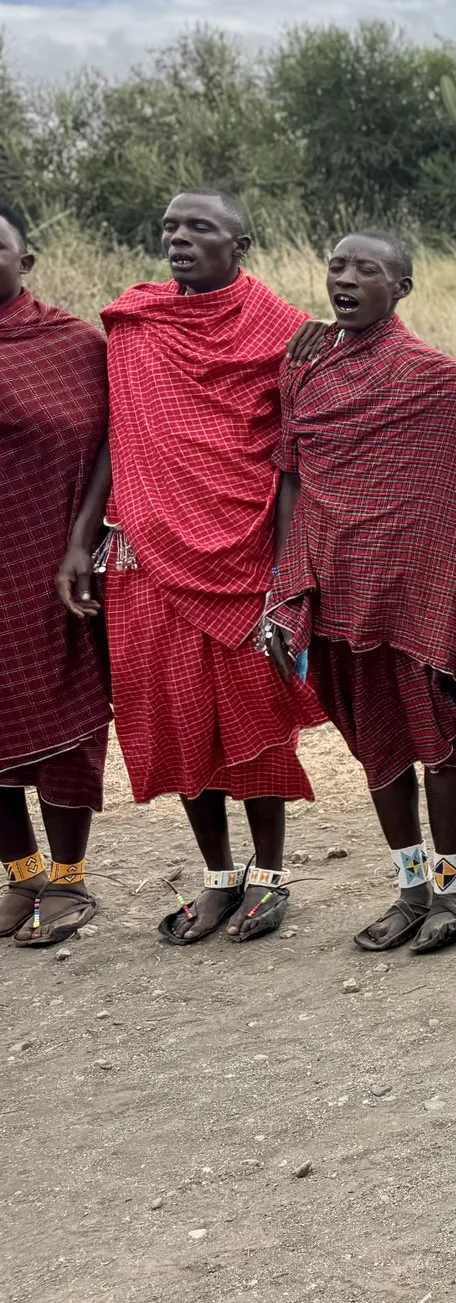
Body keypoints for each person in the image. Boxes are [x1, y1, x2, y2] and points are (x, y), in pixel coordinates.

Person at [57, 192, 323, 944]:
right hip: (143, 556)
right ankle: (216, 875)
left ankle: (268, 875)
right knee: (172, 719)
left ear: (240, 242)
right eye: (170, 226)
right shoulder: (135, 323)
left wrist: (289, 567)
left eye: (198, 227)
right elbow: (119, 431)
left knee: (258, 719)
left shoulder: (286, 331)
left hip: (242, 552)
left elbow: (297, 457)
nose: (178, 237)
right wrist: (83, 536)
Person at [267, 232, 456, 954]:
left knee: (439, 745)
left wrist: (442, 601)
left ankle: (454, 888)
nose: (346, 280)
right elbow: (293, 479)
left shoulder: (434, 376)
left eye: (367, 270)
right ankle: (411, 890)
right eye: (337, 267)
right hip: (339, 591)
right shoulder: (305, 370)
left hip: (416, 601)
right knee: (377, 750)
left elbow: (455, 503)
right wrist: (290, 585)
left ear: (402, 287)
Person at [0, 203, 110, 946]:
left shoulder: (73, 345)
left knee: (64, 718)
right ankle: (23, 874)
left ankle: (67, 882)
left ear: (26, 262)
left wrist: (82, 539)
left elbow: (114, 443)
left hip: (52, 566)